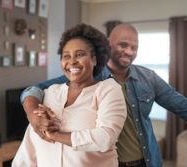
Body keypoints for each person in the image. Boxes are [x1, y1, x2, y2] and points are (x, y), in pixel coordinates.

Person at [21, 23, 187, 167]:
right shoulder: (85, 76)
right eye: (123, 45)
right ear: (108, 45)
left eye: (134, 47)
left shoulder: (148, 78)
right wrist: (32, 115)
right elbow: (32, 91)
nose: (129, 51)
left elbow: (186, 108)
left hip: (145, 160)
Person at [12, 23, 127, 167]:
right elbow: (29, 150)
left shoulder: (108, 90)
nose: (72, 61)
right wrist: (35, 119)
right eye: (66, 56)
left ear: (94, 59)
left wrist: (54, 135)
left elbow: (105, 138)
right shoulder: (51, 92)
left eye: (80, 54)